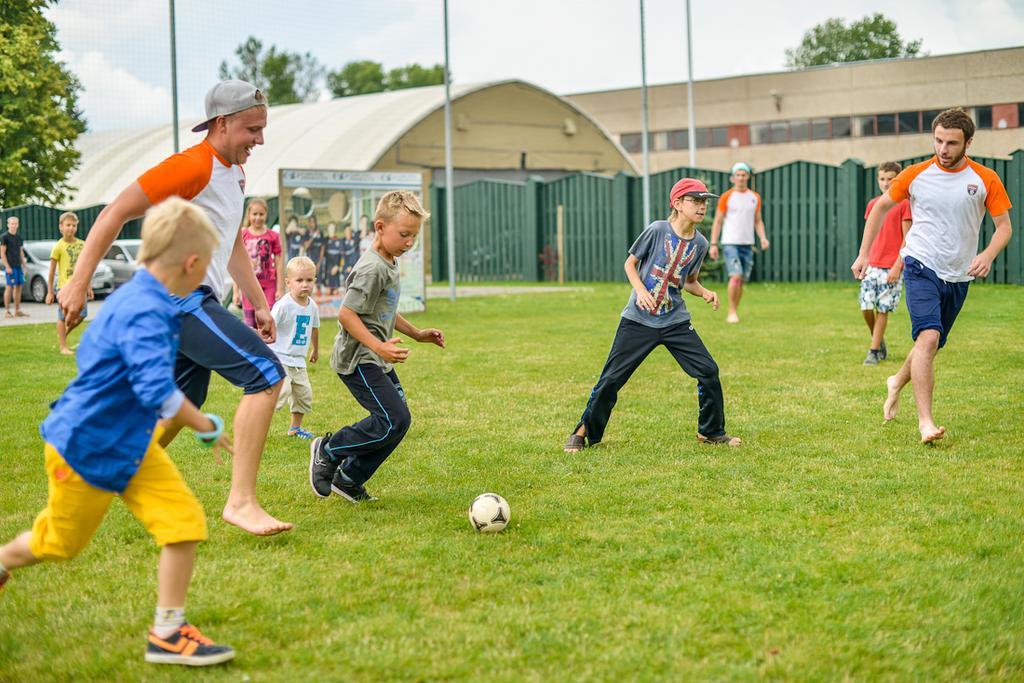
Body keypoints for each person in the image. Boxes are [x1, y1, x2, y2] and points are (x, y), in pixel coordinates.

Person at [0, 198, 236, 667]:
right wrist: (205, 424)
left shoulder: (141, 298)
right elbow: (158, 393)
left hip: (130, 445)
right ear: (192, 265)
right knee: (59, 544)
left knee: (183, 521)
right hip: (86, 449)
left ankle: (168, 632)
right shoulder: (142, 310)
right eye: (209, 267)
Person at [56, 80, 291, 536]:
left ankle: (102, 474)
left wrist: (257, 302)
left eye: (263, 129)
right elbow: (113, 213)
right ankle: (241, 502)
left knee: (185, 399)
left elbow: (229, 243)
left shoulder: (235, 176)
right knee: (265, 374)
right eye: (252, 129)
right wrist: (79, 282)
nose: (259, 140)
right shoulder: (191, 166)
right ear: (222, 124)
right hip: (177, 299)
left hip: (191, 298)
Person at [852, 108, 1013, 444]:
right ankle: (925, 422)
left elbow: (1004, 228)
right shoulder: (915, 174)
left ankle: (896, 380)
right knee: (927, 338)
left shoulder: (985, 179)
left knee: (932, 343)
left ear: (968, 142)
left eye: (952, 143)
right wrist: (864, 253)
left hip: (958, 275)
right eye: (938, 140)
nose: (943, 149)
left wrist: (987, 254)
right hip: (920, 264)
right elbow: (881, 208)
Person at [564, 178, 741, 452]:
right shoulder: (657, 230)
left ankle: (711, 432)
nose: (702, 206)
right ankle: (583, 430)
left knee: (708, 371)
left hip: (675, 322)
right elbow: (630, 264)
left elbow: (689, 281)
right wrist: (641, 292)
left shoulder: (701, 243)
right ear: (677, 204)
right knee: (611, 379)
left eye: (704, 201)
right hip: (638, 319)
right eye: (695, 200)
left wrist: (705, 292)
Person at [308, 191, 445, 502]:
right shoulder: (372, 268)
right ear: (380, 227)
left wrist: (417, 334)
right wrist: (379, 347)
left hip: (375, 358)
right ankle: (328, 450)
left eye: (414, 236)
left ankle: (349, 478)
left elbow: (384, 310)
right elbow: (347, 313)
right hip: (359, 360)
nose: (409, 242)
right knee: (391, 420)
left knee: (399, 422)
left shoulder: (389, 261)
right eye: (404, 234)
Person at [859, 162, 912, 365]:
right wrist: (863, 258)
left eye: (891, 178)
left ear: (898, 179)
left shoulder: (905, 204)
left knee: (882, 309)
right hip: (872, 264)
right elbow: (869, 235)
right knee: (866, 307)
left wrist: (898, 266)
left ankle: (873, 351)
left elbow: (907, 239)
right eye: (882, 179)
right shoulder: (873, 204)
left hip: (892, 266)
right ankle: (878, 340)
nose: (886, 183)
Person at [709, 162, 770, 323]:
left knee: (741, 279)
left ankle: (735, 309)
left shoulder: (754, 197)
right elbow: (718, 221)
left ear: (748, 177)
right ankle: (731, 311)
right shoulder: (727, 197)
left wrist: (763, 238)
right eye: (738, 175)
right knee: (735, 276)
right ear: (733, 177)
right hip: (730, 243)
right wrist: (713, 244)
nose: (741, 178)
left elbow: (758, 221)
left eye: (744, 175)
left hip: (747, 243)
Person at [271, 256, 320, 439]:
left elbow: (314, 329)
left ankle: (295, 428)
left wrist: (315, 349)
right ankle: (257, 421)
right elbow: (270, 326)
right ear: (288, 282)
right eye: (299, 280)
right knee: (281, 393)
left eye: (309, 280)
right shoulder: (283, 305)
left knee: (303, 394)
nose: (305, 285)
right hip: (280, 358)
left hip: (299, 361)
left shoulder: (312, 306)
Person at [46, 212, 92, 355]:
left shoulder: (82, 245)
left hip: (80, 287)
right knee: (63, 316)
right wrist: (49, 292)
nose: (71, 228)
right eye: (68, 225)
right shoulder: (58, 247)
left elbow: (86, 267)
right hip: (64, 288)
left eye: (73, 225)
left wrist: (88, 286)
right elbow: (52, 272)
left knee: (82, 315)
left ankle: (63, 335)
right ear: (61, 227)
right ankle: (63, 347)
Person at [233, 198, 283, 329]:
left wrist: (280, 288)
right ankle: (252, 349)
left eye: (261, 214)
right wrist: (235, 292)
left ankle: (269, 348)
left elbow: (279, 263)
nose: (258, 217)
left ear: (266, 215)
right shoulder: (242, 235)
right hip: (248, 285)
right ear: (249, 215)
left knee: (269, 320)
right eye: (254, 214)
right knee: (250, 324)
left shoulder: (273, 236)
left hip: (269, 285)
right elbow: (237, 265)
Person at [1, 215, 28, 318]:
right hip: (10, 267)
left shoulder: (19, 237)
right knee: (9, 287)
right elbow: (2, 253)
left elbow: (21, 252)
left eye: (15, 223)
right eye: (12, 223)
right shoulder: (4, 237)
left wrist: (24, 266)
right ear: (8, 225)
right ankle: (7, 311)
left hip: (18, 266)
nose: (13, 225)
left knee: (19, 287)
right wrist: (7, 267)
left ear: (18, 225)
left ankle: (17, 310)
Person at [322, 224, 344, 295]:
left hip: (336, 271)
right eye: (331, 228)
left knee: (336, 293)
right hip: (328, 271)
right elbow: (322, 256)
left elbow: (343, 257)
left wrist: (338, 266)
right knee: (327, 292)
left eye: (334, 228)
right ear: (328, 230)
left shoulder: (340, 241)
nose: (332, 230)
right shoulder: (325, 241)